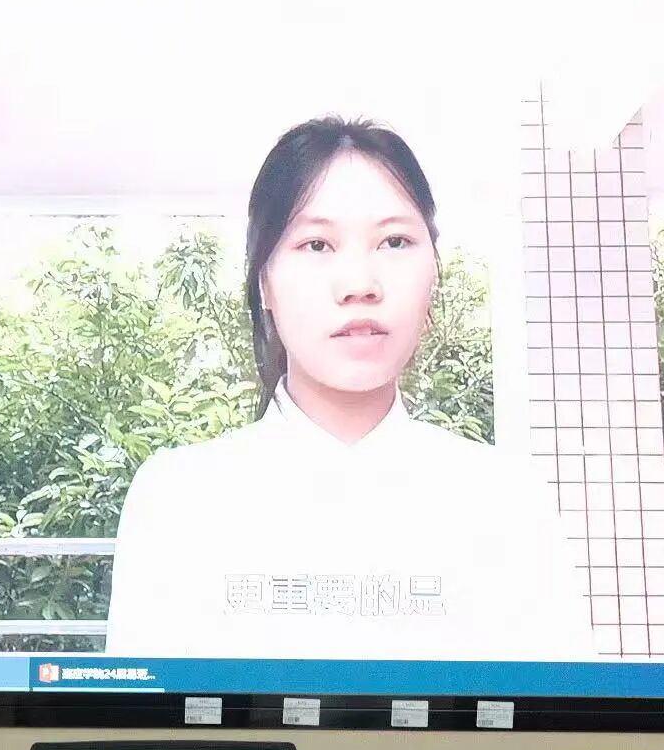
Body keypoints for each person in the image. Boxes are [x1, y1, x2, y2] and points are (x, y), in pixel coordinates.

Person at [104, 117, 595, 661]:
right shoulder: (179, 500)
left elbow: (566, 710)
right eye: (317, 244)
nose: (360, 284)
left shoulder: (507, 501)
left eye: (395, 241)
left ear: (433, 271)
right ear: (264, 280)